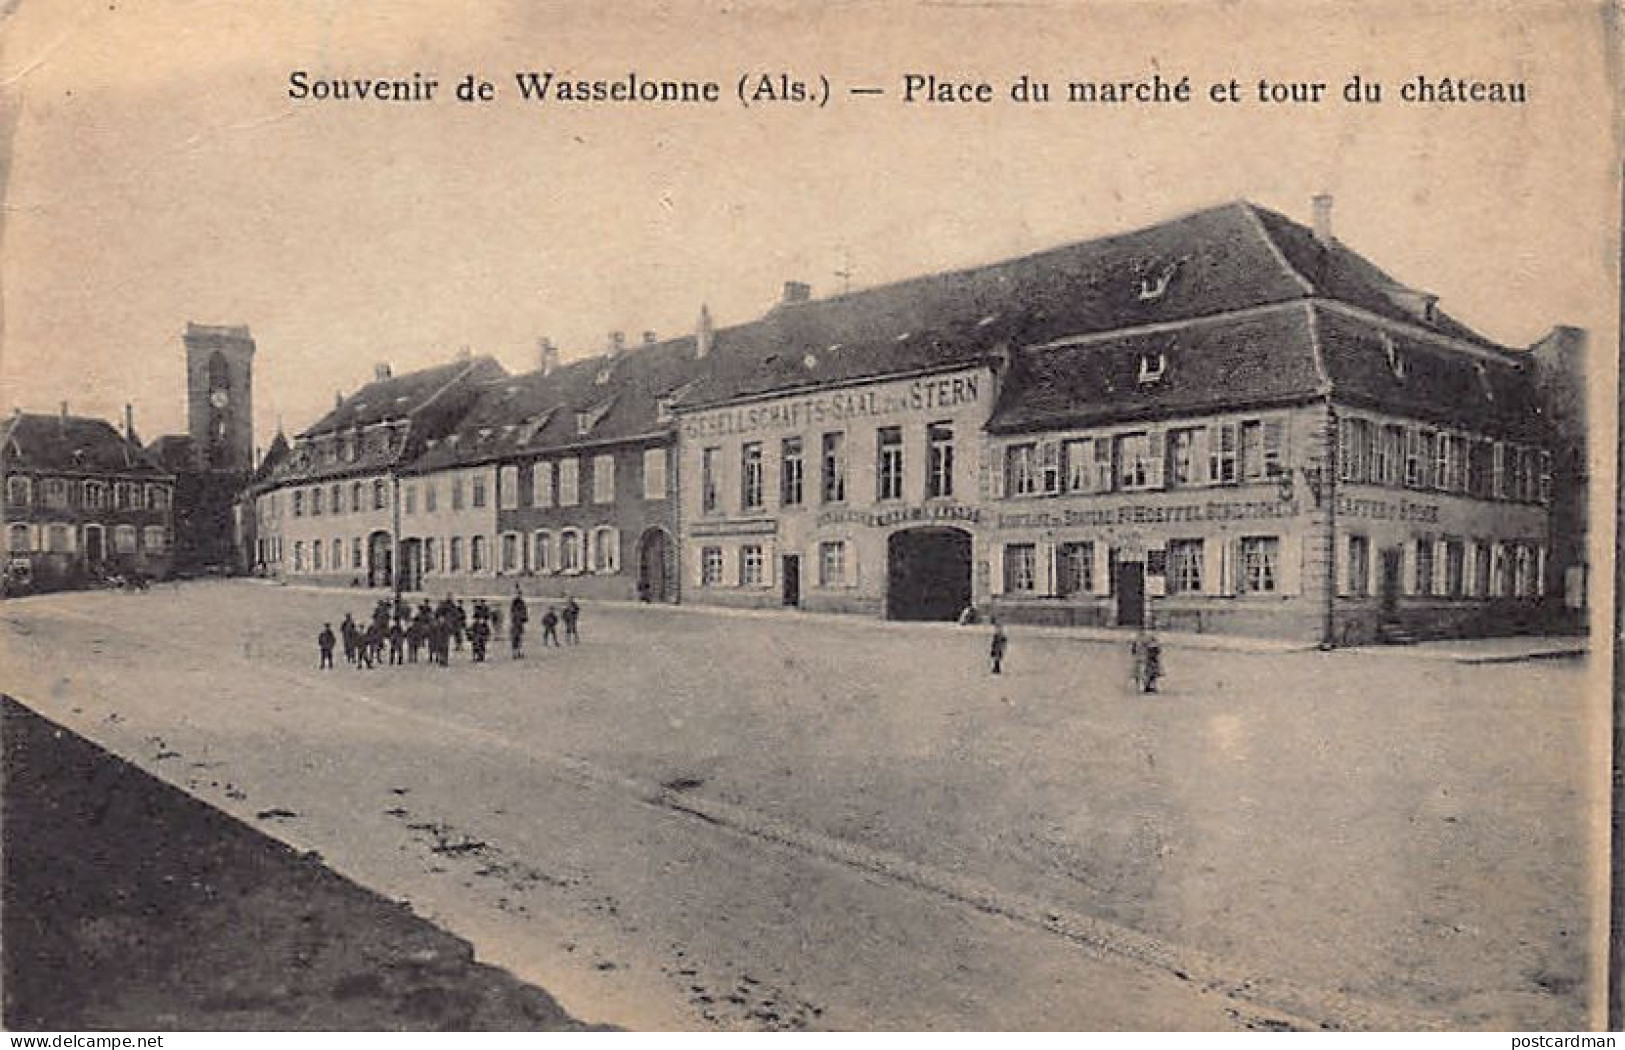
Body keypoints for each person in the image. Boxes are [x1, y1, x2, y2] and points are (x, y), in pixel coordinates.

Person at [1131, 628, 1163, 694]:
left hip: (1147, 659)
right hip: (1143, 658)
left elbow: (1157, 649)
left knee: (1150, 672)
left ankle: (1148, 686)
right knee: (1144, 671)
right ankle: (1144, 685)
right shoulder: (1140, 638)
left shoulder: (1143, 638)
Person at [509, 588, 529, 659]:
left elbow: (525, 612)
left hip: (520, 623)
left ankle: (519, 652)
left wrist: (524, 618)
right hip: (515, 623)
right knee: (515, 638)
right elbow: (512, 612)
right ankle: (515, 653)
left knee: (520, 638)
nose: (519, 595)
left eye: (520, 594)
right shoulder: (514, 602)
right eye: (518, 594)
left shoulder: (522, 602)